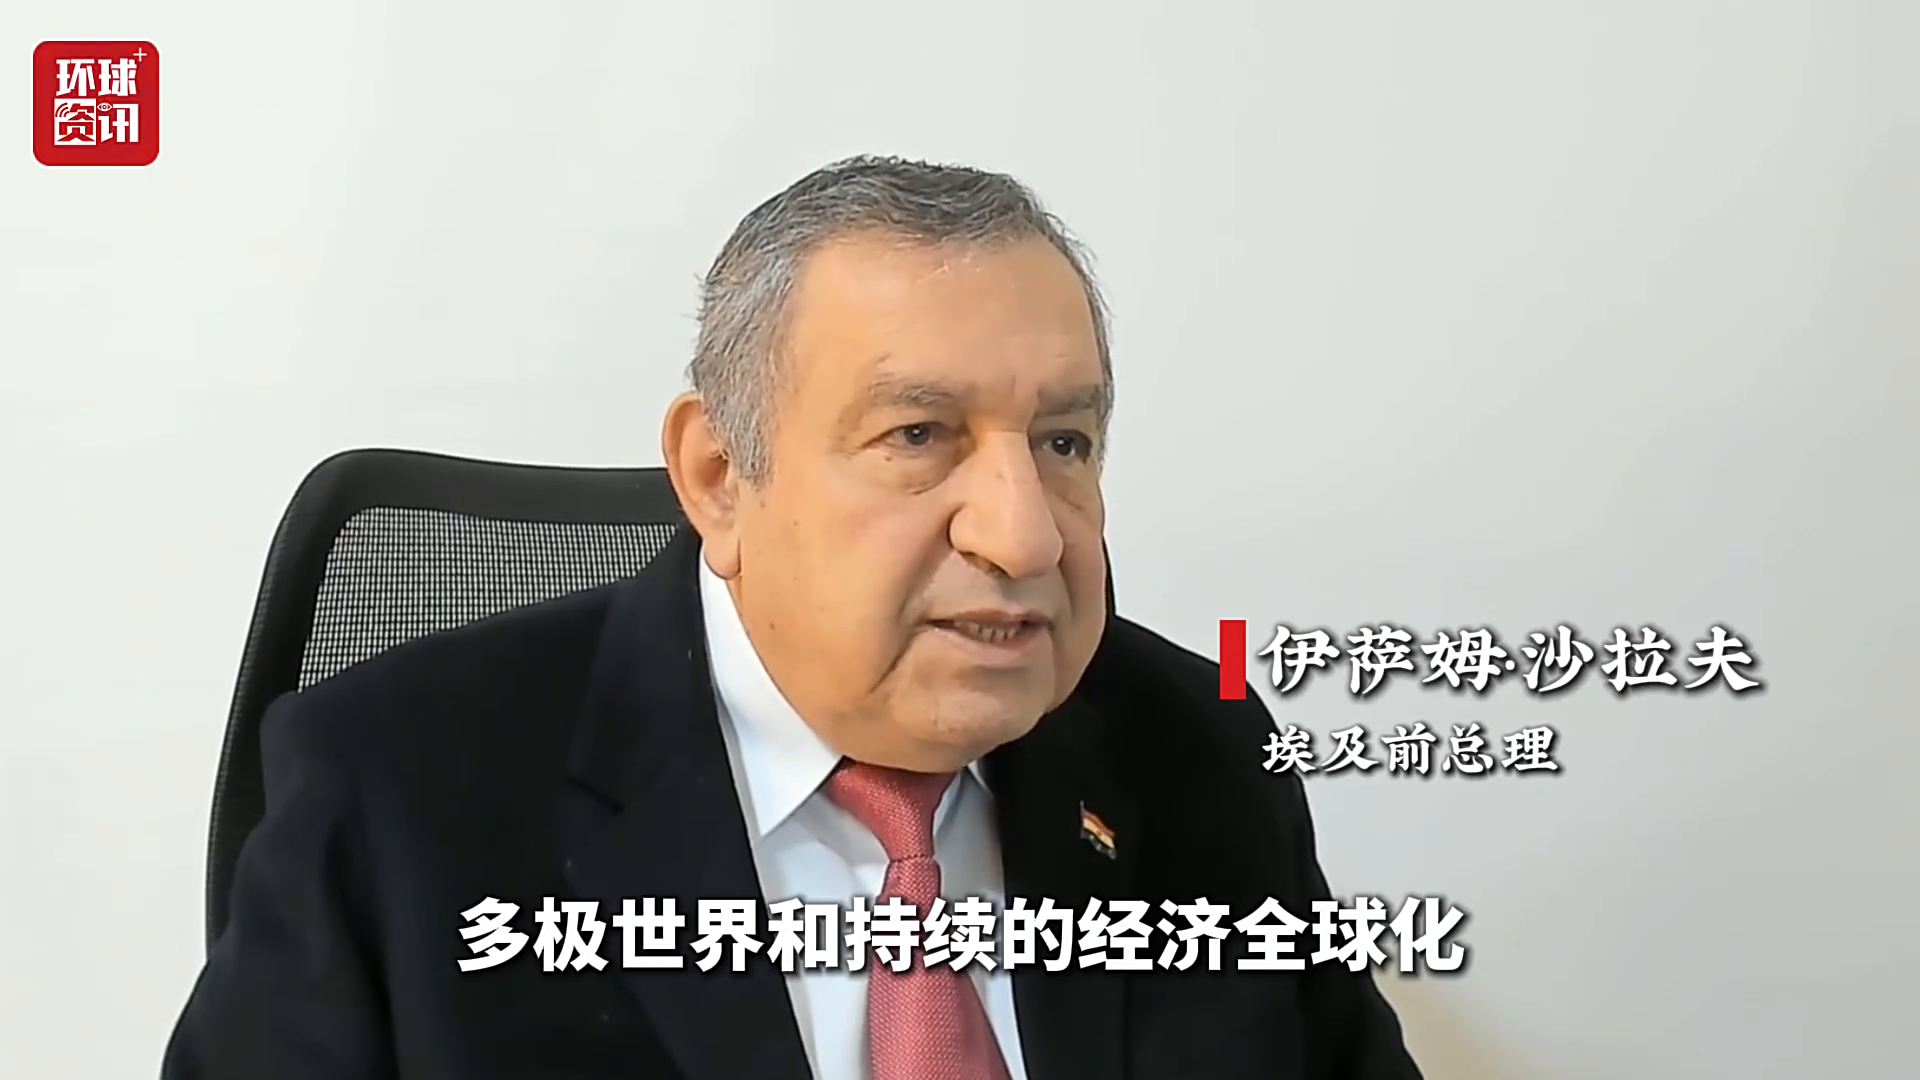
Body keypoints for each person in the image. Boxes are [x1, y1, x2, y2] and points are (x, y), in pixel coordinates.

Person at [162, 155, 1424, 1080]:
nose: (1027, 534)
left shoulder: (1194, 748)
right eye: (919, 436)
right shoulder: (396, 789)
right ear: (719, 477)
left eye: (1064, 442)